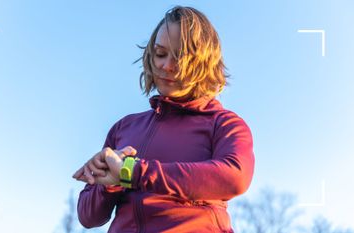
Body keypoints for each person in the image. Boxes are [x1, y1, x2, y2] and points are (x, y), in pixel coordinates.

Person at [72, 6, 254, 233]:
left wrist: (134, 172)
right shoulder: (124, 127)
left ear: (204, 62)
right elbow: (88, 216)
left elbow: (234, 177)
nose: (166, 66)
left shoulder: (224, 123)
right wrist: (110, 183)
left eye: (179, 57)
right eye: (160, 53)